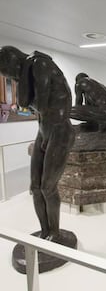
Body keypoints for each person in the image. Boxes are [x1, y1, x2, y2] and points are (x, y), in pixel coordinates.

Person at [0, 46, 75, 242]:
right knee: (35, 187)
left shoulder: (40, 64)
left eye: (9, 74)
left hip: (60, 132)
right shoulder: (29, 67)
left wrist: (22, 79)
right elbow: (32, 105)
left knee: (48, 187)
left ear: (13, 61)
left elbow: (38, 105)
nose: (11, 78)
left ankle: (55, 233)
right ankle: (45, 231)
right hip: (43, 132)